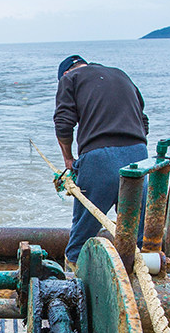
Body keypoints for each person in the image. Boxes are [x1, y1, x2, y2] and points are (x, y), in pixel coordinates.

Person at [53, 55, 149, 266]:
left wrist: (69, 159)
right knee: (136, 241)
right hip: (139, 158)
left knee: (80, 241)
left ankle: (75, 288)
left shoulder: (70, 79)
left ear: (65, 74)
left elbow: (63, 124)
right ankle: (137, 288)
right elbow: (144, 123)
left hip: (99, 159)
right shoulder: (121, 75)